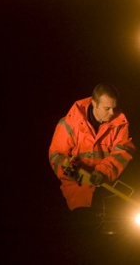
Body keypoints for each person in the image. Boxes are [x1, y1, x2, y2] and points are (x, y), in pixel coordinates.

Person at [49, 83, 135, 231]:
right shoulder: (70, 123)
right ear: (94, 103)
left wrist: (102, 172)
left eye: (114, 107)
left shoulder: (120, 124)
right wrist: (67, 170)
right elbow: (56, 154)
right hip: (76, 192)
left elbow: (123, 151)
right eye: (107, 108)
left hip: (106, 189)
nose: (112, 112)